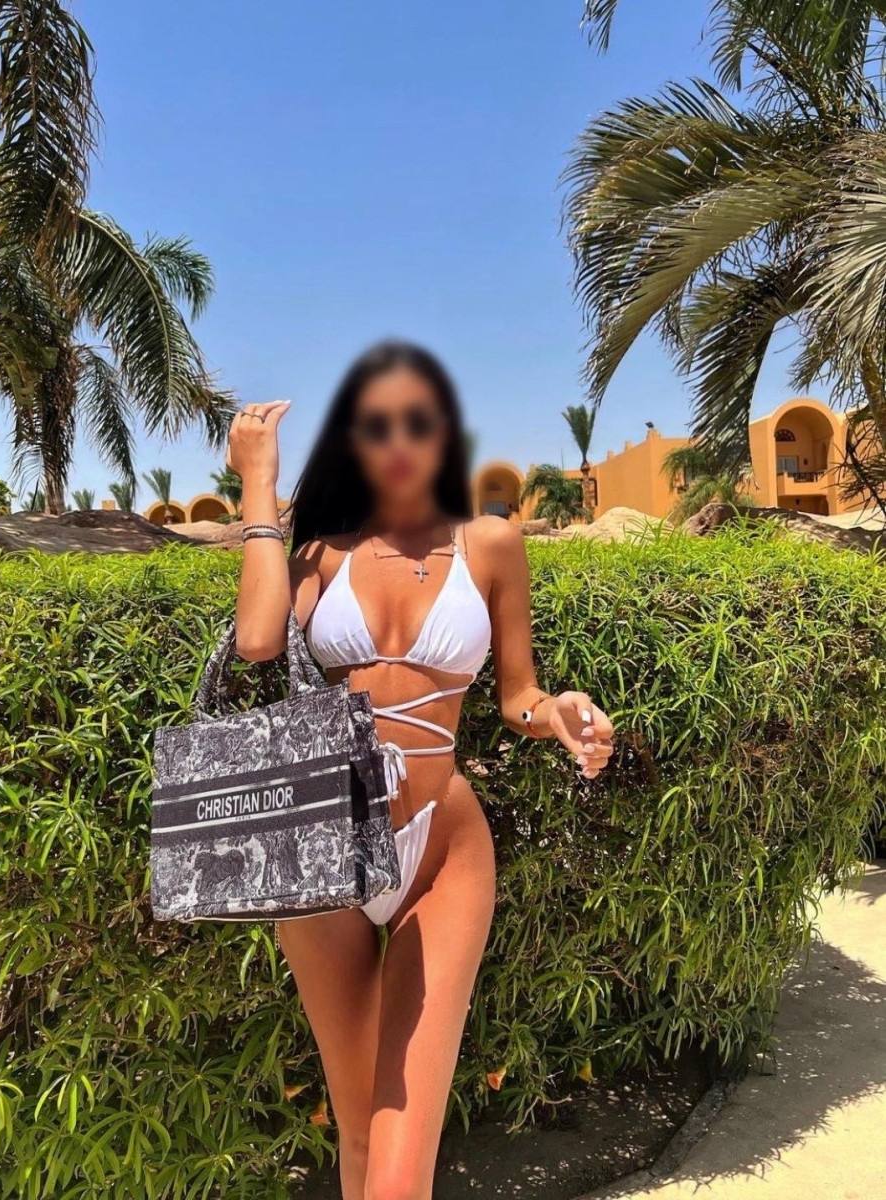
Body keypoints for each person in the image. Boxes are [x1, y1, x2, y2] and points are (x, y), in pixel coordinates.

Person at [228, 340, 614, 1200]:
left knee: (401, 1167)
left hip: (442, 848)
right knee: (360, 1135)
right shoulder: (321, 556)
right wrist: (259, 483)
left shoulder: (490, 545)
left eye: (419, 420)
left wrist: (558, 713)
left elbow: (517, 696)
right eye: (377, 425)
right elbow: (256, 641)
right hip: (323, 842)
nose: (399, 440)